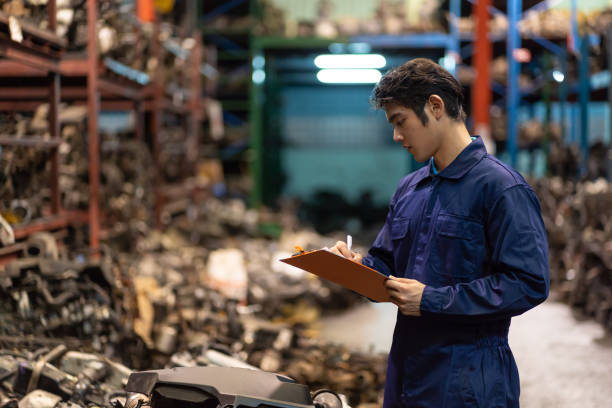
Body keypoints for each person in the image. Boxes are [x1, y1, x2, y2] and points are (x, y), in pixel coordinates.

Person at [330, 58, 549, 407]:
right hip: (406, 370)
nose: (396, 136)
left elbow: (528, 283)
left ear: (435, 107)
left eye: (400, 122)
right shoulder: (409, 189)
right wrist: (355, 269)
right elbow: (385, 266)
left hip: (469, 379)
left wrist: (432, 299)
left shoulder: (501, 189)